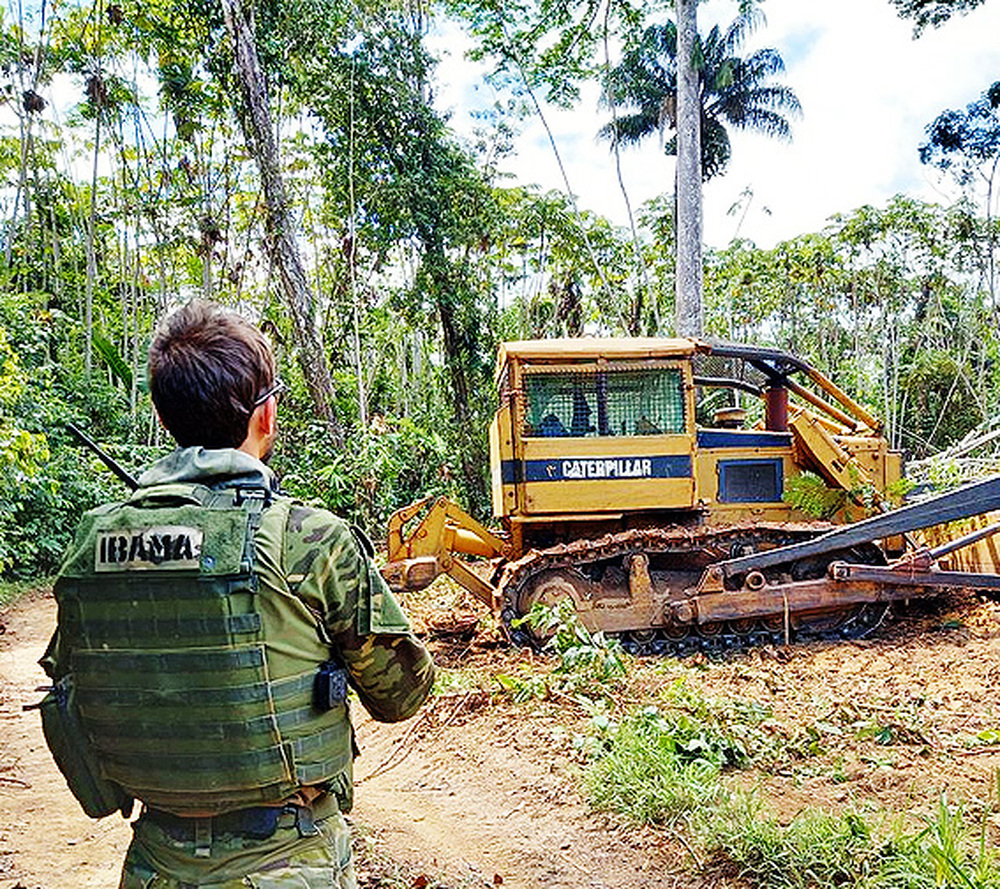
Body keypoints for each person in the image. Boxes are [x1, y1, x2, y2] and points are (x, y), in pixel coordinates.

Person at [40, 300, 434, 888]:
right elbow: (401, 694)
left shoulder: (92, 542)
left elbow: (73, 691)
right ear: (265, 415)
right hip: (290, 859)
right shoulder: (308, 539)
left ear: (161, 413)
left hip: (156, 863)